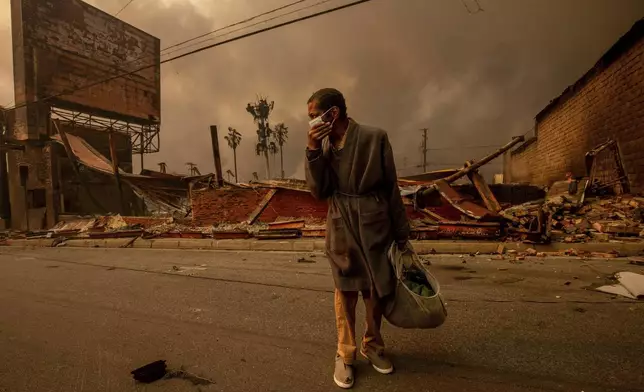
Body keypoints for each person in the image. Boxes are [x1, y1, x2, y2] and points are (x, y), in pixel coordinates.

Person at [304, 88, 410, 389]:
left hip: (375, 223)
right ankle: (345, 354)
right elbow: (318, 191)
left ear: (332, 113)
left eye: (314, 116)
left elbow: (391, 187)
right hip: (340, 225)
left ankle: (373, 345)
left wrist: (401, 233)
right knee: (346, 291)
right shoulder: (323, 148)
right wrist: (312, 149)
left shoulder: (375, 138)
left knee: (375, 290)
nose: (312, 123)